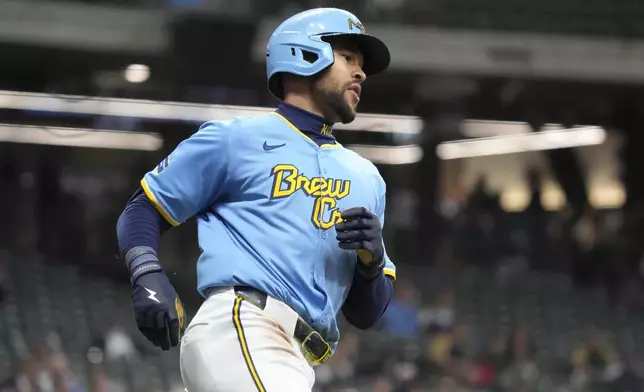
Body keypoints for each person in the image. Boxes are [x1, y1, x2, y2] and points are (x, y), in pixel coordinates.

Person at [116, 7, 396, 391]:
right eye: (349, 58)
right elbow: (143, 209)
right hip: (242, 327)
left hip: (299, 357)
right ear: (303, 54)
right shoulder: (235, 139)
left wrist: (372, 263)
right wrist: (147, 275)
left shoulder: (367, 178)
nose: (361, 73)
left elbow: (366, 313)